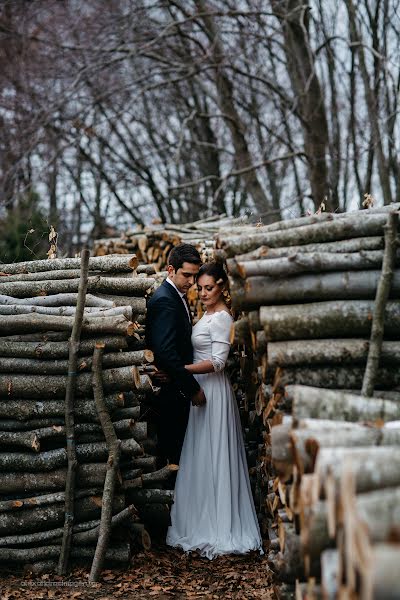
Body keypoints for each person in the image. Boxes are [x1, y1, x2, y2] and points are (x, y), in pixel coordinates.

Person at [166, 262, 263, 559]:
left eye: (209, 288)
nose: (203, 293)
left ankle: (221, 526)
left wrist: (180, 369)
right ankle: (199, 522)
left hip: (215, 391)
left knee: (216, 455)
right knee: (201, 456)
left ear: (222, 286)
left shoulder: (222, 318)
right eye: (200, 289)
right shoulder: (206, 315)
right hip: (201, 390)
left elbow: (219, 361)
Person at [146, 243, 206, 466]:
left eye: (194, 276)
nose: (191, 282)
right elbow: (165, 351)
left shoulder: (175, 295)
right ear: (170, 270)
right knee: (172, 454)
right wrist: (192, 388)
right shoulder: (165, 300)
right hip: (171, 395)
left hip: (175, 386)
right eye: (187, 275)